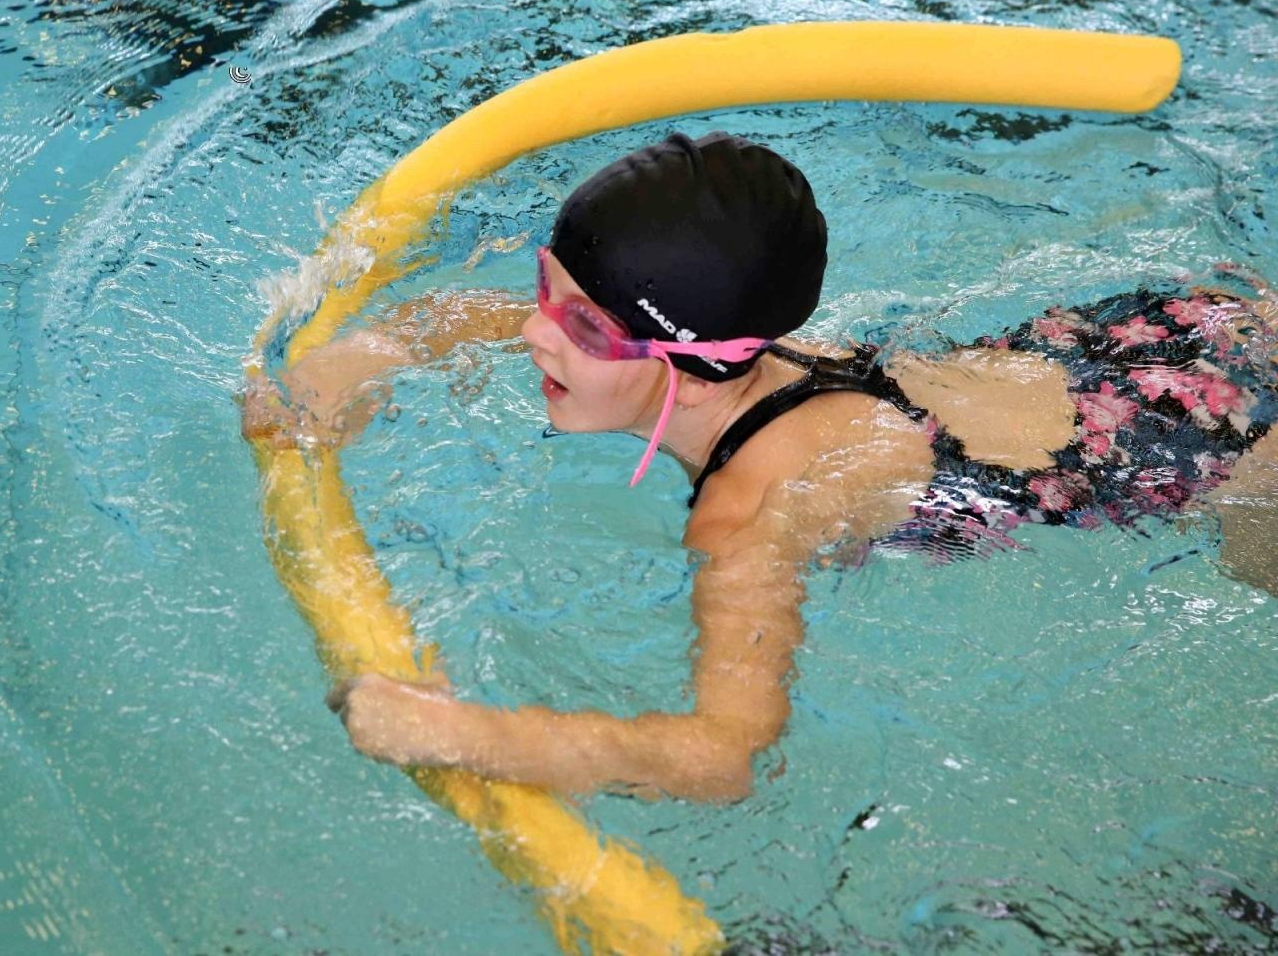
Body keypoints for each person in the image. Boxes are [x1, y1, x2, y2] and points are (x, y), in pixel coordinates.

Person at [242, 131, 1278, 802]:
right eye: (541, 292)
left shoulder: (747, 511)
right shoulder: (727, 353)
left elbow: (719, 755)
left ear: (694, 367)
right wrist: (368, 353)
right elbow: (508, 322)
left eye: (585, 329)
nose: (536, 337)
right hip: (1141, 344)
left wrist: (464, 731)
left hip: (1216, 452)